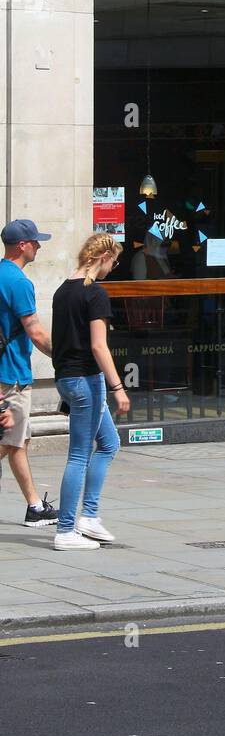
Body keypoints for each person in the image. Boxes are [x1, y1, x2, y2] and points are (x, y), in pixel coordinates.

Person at [52, 233, 130, 549]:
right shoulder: (94, 293)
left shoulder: (62, 291)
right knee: (79, 455)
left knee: (109, 443)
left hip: (68, 379)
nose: (113, 268)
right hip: (86, 380)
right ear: (102, 257)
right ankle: (66, 530)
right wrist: (119, 388)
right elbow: (99, 346)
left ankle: (89, 517)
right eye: (113, 261)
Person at [0, 219, 58, 526]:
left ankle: (35, 507)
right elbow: (35, 332)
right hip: (11, 376)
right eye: (35, 241)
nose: (39, 246)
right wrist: (63, 357)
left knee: (18, 441)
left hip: (6, 373)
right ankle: (34, 508)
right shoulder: (19, 283)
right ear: (22, 245)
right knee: (9, 441)